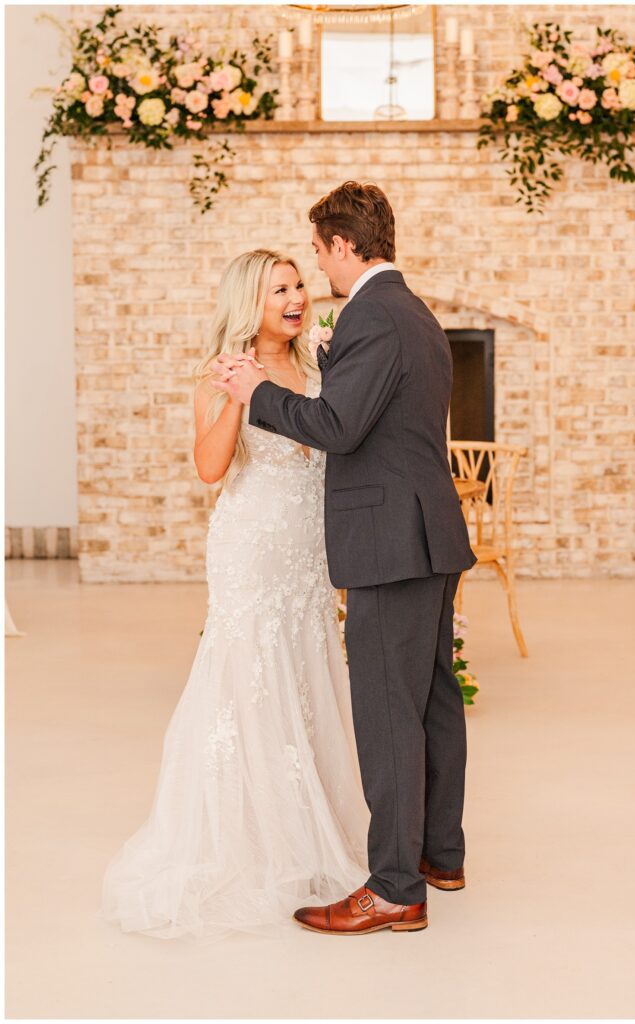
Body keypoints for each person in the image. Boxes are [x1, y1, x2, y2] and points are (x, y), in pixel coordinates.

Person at [214, 181, 477, 935]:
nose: (317, 275)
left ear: (340, 245)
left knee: (390, 711)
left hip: (389, 541)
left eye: (319, 254)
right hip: (426, 530)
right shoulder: (414, 313)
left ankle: (394, 887)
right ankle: (439, 854)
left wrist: (259, 389)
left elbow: (336, 426)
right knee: (430, 698)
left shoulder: (372, 314)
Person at [101, 249, 369, 940]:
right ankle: (247, 844)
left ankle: (311, 834)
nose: (296, 296)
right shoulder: (219, 374)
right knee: (249, 680)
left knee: (307, 677)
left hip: (308, 553)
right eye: (279, 288)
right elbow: (210, 469)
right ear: (248, 302)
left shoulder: (316, 365)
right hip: (251, 550)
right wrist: (239, 395)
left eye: (298, 284)